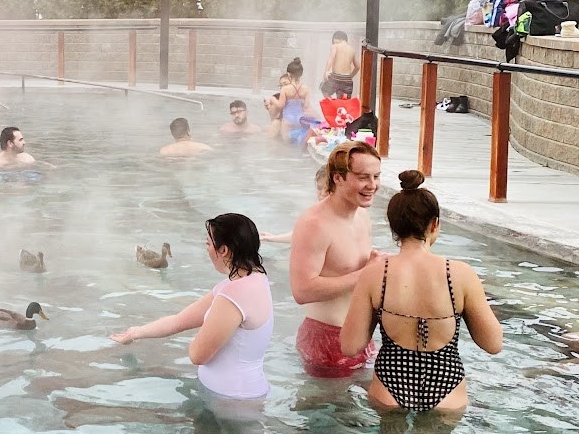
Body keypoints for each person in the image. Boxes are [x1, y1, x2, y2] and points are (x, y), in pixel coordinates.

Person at [341, 171, 503, 412]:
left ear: (393, 227)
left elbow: (350, 346)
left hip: (389, 387)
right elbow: (493, 344)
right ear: (435, 223)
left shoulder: (375, 274)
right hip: (447, 389)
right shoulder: (459, 274)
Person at [112, 213, 275, 400]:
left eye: (208, 243)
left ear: (223, 250)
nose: (206, 249)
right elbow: (179, 320)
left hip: (231, 401)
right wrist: (134, 333)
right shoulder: (256, 279)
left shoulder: (232, 296)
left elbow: (197, 355)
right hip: (242, 394)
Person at [289, 141, 381, 377]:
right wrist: (363, 274)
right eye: (363, 177)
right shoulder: (314, 224)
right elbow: (302, 291)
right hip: (326, 342)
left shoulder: (362, 216)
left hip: (362, 337)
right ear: (338, 178)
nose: (372, 185)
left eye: (376, 177)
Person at [264, 58, 312, 144]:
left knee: (286, 143)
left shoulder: (285, 89)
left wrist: (272, 99)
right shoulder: (306, 89)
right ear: (301, 74)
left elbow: (280, 105)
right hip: (300, 118)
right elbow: (306, 106)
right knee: (297, 141)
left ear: (289, 74)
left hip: (287, 119)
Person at [321, 32, 359, 99]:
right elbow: (358, 67)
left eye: (334, 40)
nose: (333, 42)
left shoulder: (335, 46)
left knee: (324, 89)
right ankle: (340, 107)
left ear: (337, 38)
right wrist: (350, 76)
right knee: (343, 100)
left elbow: (331, 58)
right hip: (347, 80)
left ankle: (333, 105)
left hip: (336, 77)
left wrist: (326, 72)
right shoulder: (352, 49)